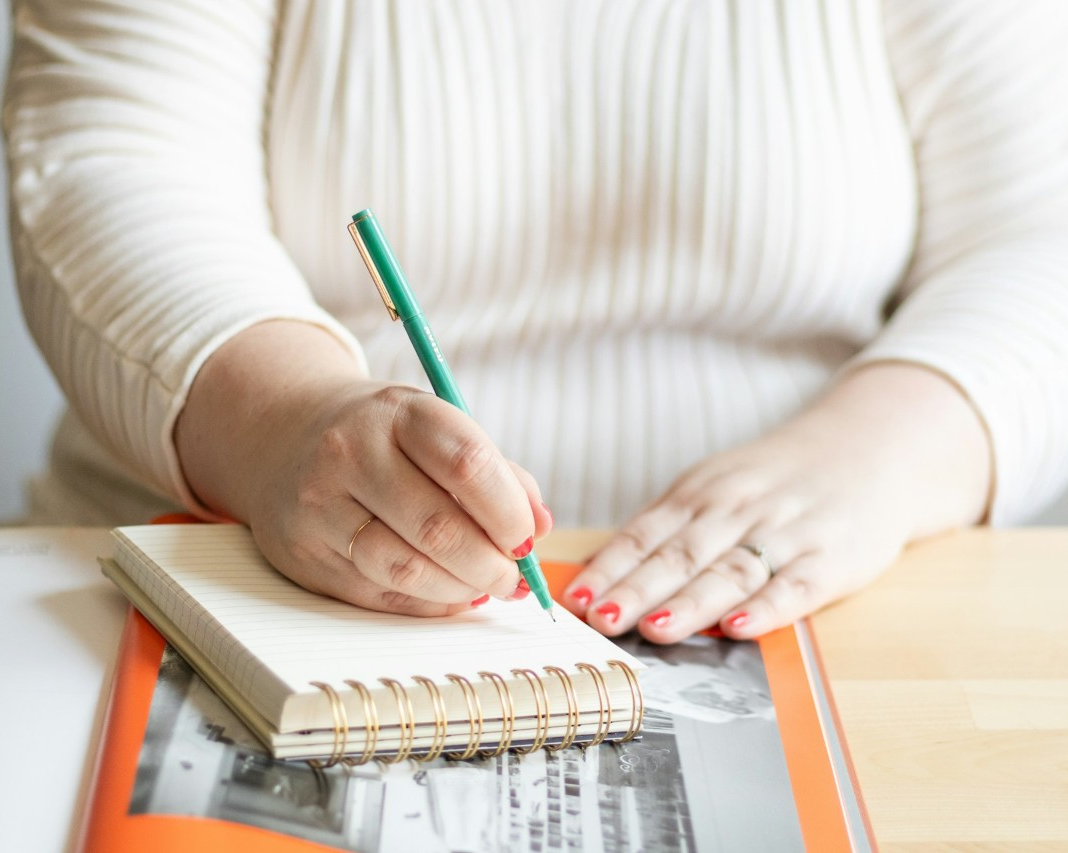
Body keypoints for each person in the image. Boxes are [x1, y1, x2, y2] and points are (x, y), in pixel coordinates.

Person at [5, 0, 1068, 645]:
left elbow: (1040, 232)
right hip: (249, 595)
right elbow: (105, 165)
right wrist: (283, 423)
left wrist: (876, 457)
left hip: (838, 601)